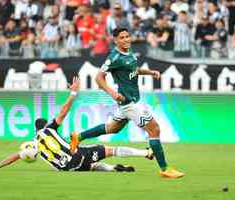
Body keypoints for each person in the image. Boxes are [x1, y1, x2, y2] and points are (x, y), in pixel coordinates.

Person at [70, 28, 185, 178]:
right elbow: (99, 78)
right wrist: (113, 93)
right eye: (122, 38)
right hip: (129, 103)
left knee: (112, 128)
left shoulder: (129, 53)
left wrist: (150, 73)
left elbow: (133, 69)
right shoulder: (114, 57)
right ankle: (165, 169)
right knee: (154, 129)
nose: (125, 40)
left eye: (127, 36)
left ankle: (78, 137)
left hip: (129, 101)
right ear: (116, 41)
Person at [0, 77, 154, 172]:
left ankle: (112, 169)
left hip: (67, 168)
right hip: (76, 155)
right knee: (109, 150)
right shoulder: (49, 128)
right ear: (45, 125)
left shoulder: (33, 144)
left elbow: (16, 156)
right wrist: (73, 93)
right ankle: (145, 153)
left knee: (91, 165)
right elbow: (63, 112)